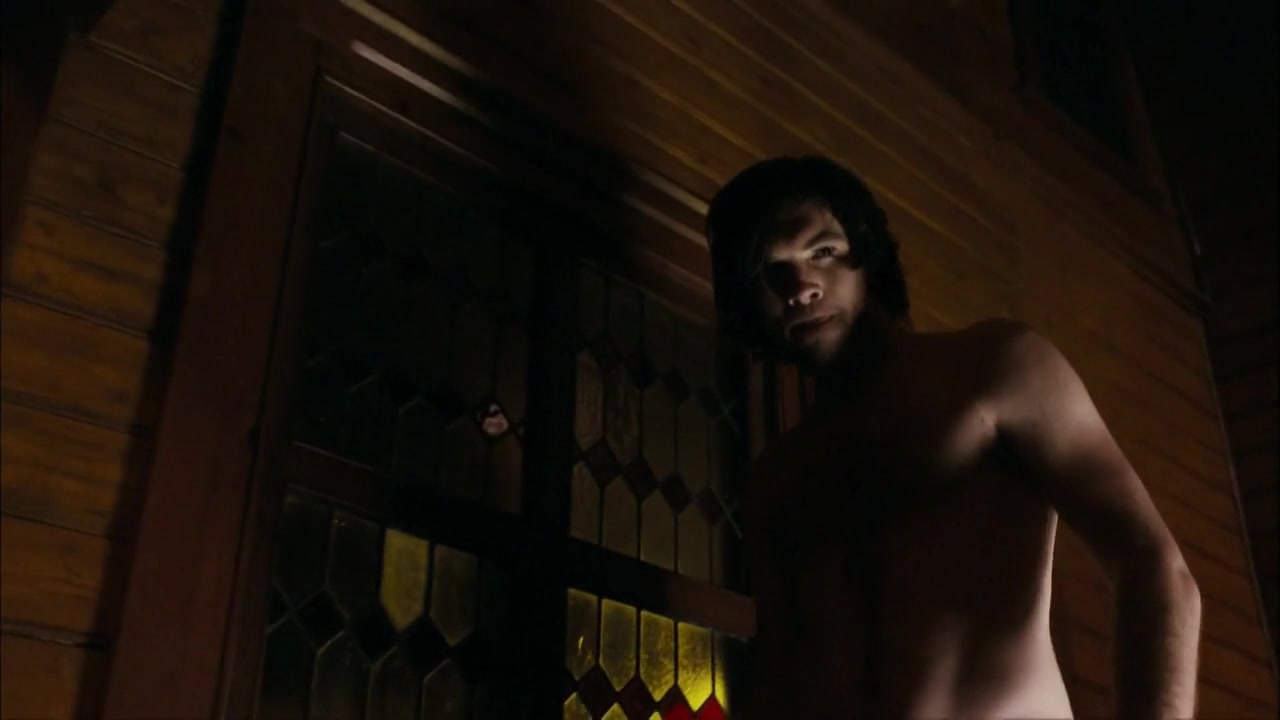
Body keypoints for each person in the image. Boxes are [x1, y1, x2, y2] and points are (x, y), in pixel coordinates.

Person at [706, 156, 1202, 719]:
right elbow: (779, 677)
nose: (801, 288)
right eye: (770, 271)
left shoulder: (994, 368)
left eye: (822, 252)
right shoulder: (779, 477)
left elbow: (1154, 566)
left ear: (865, 252)